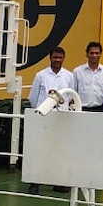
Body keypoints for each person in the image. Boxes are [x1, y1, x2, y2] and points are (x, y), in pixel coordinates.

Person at [28, 46, 74, 195]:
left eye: (60, 58)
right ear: (50, 58)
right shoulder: (40, 75)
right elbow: (33, 97)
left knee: (58, 150)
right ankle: (34, 182)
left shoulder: (68, 76)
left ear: (63, 58)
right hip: (44, 117)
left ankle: (58, 182)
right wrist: (40, 111)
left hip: (61, 118)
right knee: (40, 150)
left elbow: (71, 95)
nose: (57, 60)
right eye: (55, 57)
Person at [72, 41, 103, 112]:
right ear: (87, 54)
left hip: (100, 109)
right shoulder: (77, 71)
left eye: (97, 53)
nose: (94, 55)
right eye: (92, 53)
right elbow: (73, 93)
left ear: (100, 54)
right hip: (82, 109)